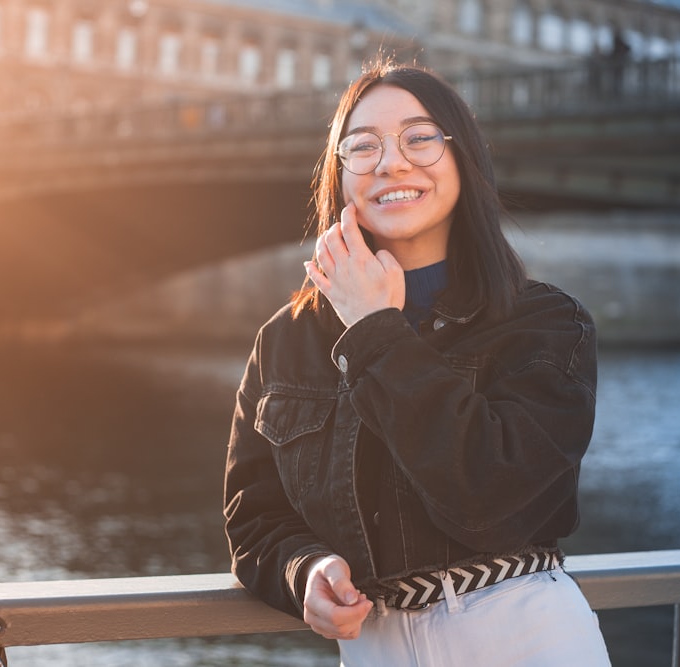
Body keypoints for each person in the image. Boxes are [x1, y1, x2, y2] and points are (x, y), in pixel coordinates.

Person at [224, 57, 610, 666]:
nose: (390, 163)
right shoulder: (284, 341)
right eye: (362, 146)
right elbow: (253, 519)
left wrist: (376, 330)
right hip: (372, 646)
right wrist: (307, 569)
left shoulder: (545, 323)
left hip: (521, 634)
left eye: (420, 137)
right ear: (339, 174)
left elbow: (487, 493)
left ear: (465, 158)